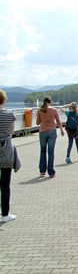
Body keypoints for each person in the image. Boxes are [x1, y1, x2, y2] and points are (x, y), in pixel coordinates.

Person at [0, 90, 18, 222]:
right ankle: (5, 215)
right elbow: (12, 131)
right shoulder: (10, 114)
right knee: (5, 185)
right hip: (6, 152)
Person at [36, 97, 64, 177]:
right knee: (51, 151)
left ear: (43, 102)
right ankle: (51, 172)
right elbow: (58, 121)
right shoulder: (54, 110)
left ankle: (42, 171)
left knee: (43, 151)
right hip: (52, 131)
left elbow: (37, 122)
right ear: (50, 102)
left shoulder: (40, 110)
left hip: (43, 132)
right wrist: (62, 130)